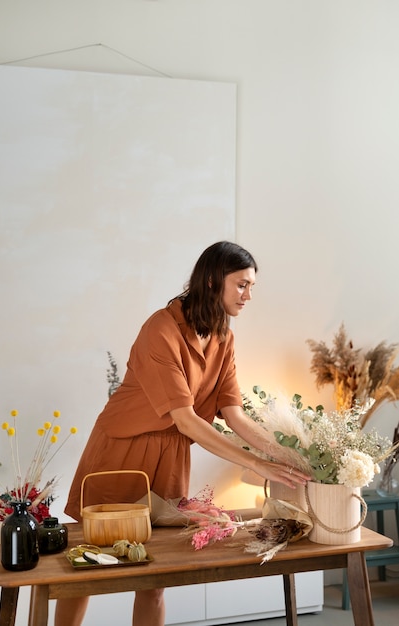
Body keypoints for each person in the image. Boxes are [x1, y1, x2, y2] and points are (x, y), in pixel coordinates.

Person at [55, 241, 309, 626]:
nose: (248, 295)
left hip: (171, 456)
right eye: (241, 285)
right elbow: (187, 419)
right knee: (89, 565)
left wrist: (281, 455)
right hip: (121, 453)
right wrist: (257, 462)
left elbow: (234, 414)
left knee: (157, 575)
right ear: (212, 281)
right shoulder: (161, 328)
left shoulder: (225, 338)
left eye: (251, 286)